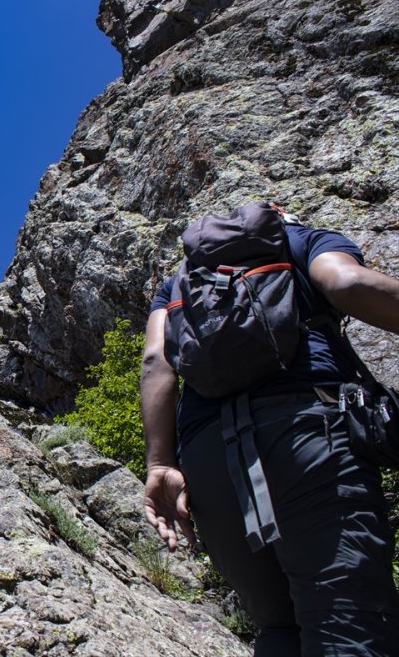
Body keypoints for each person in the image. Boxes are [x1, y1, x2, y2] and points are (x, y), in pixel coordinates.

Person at [141, 203, 399, 656]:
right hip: (307, 435)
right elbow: (349, 283)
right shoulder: (300, 241)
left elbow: (155, 363)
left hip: (209, 461)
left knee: (279, 627)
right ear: (279, 218)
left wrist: (161, 463)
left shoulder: (177, 284)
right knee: (346, 620)